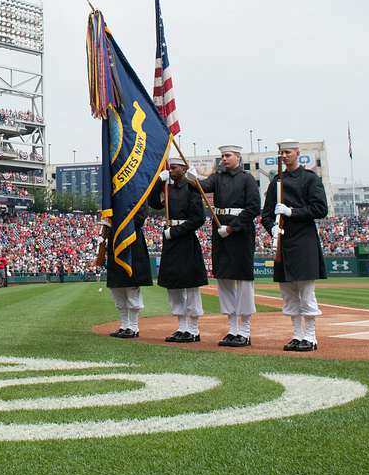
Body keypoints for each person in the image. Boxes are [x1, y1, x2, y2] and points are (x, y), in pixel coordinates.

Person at [189, 144, 261, 347]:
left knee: (243, 281)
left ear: (238, 157)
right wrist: (191, 176)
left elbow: (253, 207)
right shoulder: (218, 178)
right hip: (220, 233)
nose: (224, 159)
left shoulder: (247, 179)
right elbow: (201, 186)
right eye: (222, 156)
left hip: (240, 234)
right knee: (224, 280)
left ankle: (245, 331)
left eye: (228, 155)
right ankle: (232, 329)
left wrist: (232, 228)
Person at [262, 139, 328, 352]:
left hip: (304, 239)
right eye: (281, 153)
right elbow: (265, 214)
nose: (284, 156)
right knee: (288, 293)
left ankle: (310, 336)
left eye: (288, 152)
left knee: (306, 292)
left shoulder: (310, 179)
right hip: (283, 240)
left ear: (297, 153)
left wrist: (293, 211)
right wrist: (272, 227)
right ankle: (297, 335)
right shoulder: (276, 182)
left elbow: (320, 209)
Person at [150, 156, 208, 342]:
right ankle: (182, 326)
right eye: (169, 167)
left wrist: (175, 232)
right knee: (173, 286)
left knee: (190, 286)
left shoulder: (191, 188)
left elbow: (198, 218)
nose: (171, 170)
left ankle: (193, 329)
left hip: (185, 239)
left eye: (174, 167)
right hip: (170, 240)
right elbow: (153, 203)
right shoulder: (166, 187)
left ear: (183, 169)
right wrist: (159, 181)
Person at [100, 207, 153, 339]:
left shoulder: (138, 191)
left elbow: (140, 218)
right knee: (117, 286)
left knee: (131, 286)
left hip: (132, 239)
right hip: (115, 239)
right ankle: (124, 325)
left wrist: (119, 224)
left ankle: (133, 327)